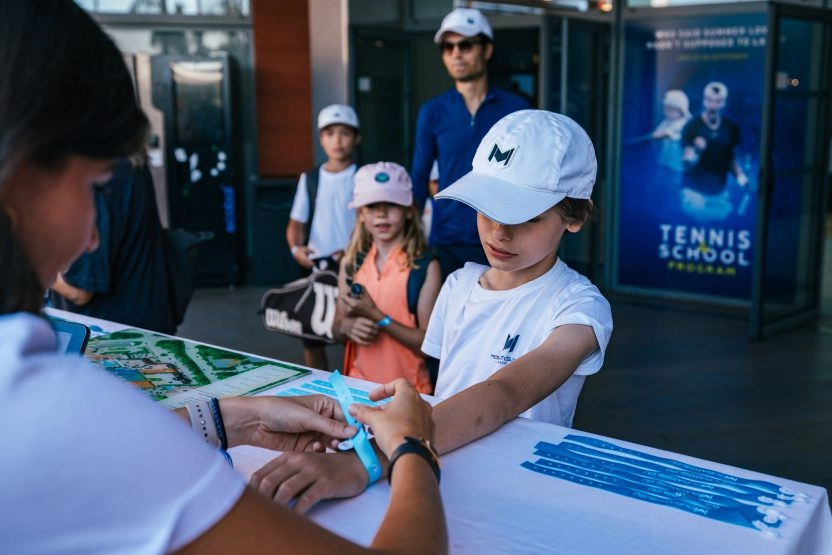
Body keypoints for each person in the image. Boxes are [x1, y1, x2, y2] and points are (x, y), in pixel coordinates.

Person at [0, 2, 447, 553]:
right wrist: (411, 448)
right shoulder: (56, 405)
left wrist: (233, 416)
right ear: (18, 174)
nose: (94, 238)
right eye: (95, 186)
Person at [250, 110, 613, 512]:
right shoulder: (458, 285)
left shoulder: (580, 308)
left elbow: (504, 392)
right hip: (437, 466)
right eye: (487, 207)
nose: (499, 231)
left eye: (526, 216)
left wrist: (367, 460)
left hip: (518, 491)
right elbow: (446, 389)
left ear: (575, 215)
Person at [410, 7, 530, 279]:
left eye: (465, 45)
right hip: (448, 238)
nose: (456, 54)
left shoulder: (517, 109)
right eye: (447, 47)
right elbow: (418, 176)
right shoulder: (433, 111)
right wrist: (411, 234)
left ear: (487, 50)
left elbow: (527, 174)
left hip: (504, 236)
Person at [333, 162, 442, 394]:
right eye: (372, 206)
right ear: (361, 213)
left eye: (391, 204)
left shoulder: (426, 267)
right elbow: (336, 328)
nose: (381, 213)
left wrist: (378, 318)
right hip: (357, 389)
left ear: (409, 210)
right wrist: (348, 326)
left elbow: (429, 346)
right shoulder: (350, 263)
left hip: (409, 395)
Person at [49, 157, 181, 334]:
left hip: (110, 336)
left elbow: (79, 292)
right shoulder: (129, 163)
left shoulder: (100, 176)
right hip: (146, 322)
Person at [286, 103, 360, 370]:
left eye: (345, 133)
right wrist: (297, 249)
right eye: (330, 133)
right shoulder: (311, 178)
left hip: (352, 269)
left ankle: (355, 394)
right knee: (312, 338)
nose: (337, 140)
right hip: (315, 269)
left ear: (357, 137)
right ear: (321, 139)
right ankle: (322, 392)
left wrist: (352, 250)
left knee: (352, 335)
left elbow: (367, 222)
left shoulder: (363, 176)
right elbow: (295, 223)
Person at [681, 82, 748, 219]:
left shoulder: (731, 127)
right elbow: (686, 164)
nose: (713, 106)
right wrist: (697, 150)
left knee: (723, 220)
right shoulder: (692, 127)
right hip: (694, 191)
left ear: (724, 103)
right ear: (704, 101)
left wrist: (742, 179)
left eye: (718, 101)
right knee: (700, 218)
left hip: (719, 192)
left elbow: (731, 159)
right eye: (709, 101)